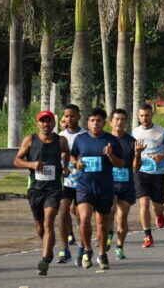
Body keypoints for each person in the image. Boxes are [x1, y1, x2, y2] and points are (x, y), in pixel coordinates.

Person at [13, 111, 70, 275]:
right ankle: (48, 247)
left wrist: (65, 166)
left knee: (49, 222)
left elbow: (66, 152)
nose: (46, 124)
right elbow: (16, 160)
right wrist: (31, 164)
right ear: (38, 124)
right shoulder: (30, 140)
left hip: (54, 189)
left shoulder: (60, 140)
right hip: (35, 189)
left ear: (54, 123)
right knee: (40, 226)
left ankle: (45, 259)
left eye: (49, 121)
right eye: (42, 121)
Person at [69, 109, 125, 270]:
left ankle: (102, 253)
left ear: (104, 122)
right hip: (84, 186)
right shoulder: (80, 139)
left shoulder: (111, 140)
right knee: (85, 218)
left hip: (104, 188)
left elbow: (121, 164)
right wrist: (76, 163)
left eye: (98, 120)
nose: (95, 123)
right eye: (92, 120)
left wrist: (110, 156)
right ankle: (87, 250)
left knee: (101, 224)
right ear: (87, 122)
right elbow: (73, 156)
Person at [132, 104, 164, 248]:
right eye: (142, 116)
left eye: (147, 115)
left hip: (158, 173)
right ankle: (147, 235)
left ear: (152, 115)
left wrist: (163, 155)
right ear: (138, 117)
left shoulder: (161, 132)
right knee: (143, 203)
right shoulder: (134, 132)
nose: (145, 118)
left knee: (157, 206)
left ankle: (159, 214)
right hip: (141, 172)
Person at [108, 109, 140, 259]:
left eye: (122, 119)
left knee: (122, 218)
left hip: (126, 183)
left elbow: (136, 167)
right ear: (111, 122)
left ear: (126, 122)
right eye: (116, 119)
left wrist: (138, 153)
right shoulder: (105, 139)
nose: (119, 122)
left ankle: (119, 246)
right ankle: (108, 234)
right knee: (110, 210)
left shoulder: (131, 141)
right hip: (108, 183)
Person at [57, 104, 87, 265]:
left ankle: (83, 247)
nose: (69, 119)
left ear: (78, 116)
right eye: (67, 116)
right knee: (62, 212)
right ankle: (64, 249)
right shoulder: (60, 136)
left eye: (72, 116)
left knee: (80, 215)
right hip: (66, 182)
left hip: (83, 182)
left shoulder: (85, 135)